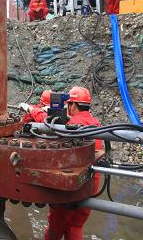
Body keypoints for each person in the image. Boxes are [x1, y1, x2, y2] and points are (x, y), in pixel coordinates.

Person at [45, 86, 102, 240]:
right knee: (75, 225)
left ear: (73, 105)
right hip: (91, 185)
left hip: (70, 186)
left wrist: (32, 109)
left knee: (55, 227)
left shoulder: (70, 124)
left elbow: (45, 123)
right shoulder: (95, 123)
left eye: (68, 105)